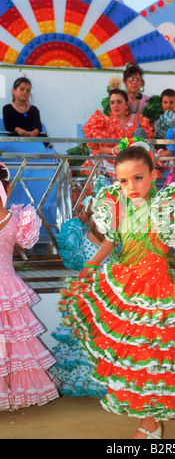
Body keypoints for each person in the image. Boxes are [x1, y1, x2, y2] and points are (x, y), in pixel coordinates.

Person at [60, 137, 175, 439]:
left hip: (157, 294)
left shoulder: (166, 210)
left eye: (137, 178)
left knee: (153, 358)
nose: (130, 186)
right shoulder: (118, 209)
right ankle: (151, 424)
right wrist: (90, 269)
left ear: (154, 176)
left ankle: (149, 426)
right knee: (134, 360)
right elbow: (110, 243)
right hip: (124, 290)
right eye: (122, 180)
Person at [0, 162, 59, 410]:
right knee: (14, 343)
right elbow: (23, 246)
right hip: (8, 288)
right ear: (9, 186)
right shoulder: (19, 217)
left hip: (8, 286)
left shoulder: (19, 217)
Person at [50, 190, 108, 398]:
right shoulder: (113, 241)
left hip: (88, 293)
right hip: (111, 293)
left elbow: (77, 265)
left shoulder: (81, 238)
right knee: (107, 337)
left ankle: (83, 380)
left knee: (84, 337)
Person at [82, 89, 153, 177]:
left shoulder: (138, 120)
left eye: (119, 102)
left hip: (132, 158)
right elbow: (98, 148)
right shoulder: (102, 121)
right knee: (93, 161)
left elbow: (144, 143)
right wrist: (113, 150)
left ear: (127, 104)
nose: (115, 105)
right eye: (112, 102)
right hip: (109, 160)